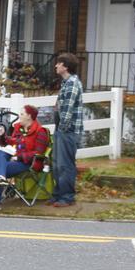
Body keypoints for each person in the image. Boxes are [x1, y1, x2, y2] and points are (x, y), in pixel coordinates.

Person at [0, 105, 49, 213]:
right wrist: (3, 136)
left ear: (29, 116)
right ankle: (2, 178)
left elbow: (38, 153)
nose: (19, 116)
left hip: (28, 163)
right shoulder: (18, 128)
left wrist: (19, 157)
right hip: (14, 157)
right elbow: (12, 142)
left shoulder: (40, 131)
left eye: (22, 114)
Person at [51, 53, 83, 207]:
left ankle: (67, 197)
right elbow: (58, 107)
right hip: (61, 129)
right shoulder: (66, 83)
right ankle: (57, 194)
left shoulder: (72, 84)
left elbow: (68, 111)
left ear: (65, 67)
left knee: (65, 165)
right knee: (57, 164)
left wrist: (61, 129)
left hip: (68, 131)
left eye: (59, 63)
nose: (56, 66)